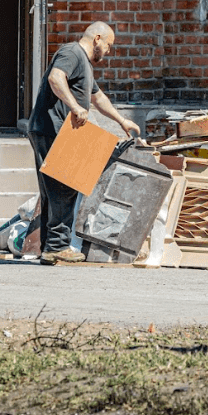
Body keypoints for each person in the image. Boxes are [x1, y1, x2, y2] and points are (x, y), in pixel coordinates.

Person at [27, 21, 141, 265]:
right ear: (97, 38)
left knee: (55, 190)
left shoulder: (85, 65)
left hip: (56, 130)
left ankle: (50, 247)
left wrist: (122, 121)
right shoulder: (72, 53)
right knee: (63, 187)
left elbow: (98, 98)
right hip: (54, 128)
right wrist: (76, 107)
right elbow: (56, 78)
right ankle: (57, 247)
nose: (109, 51)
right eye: (109, 46)